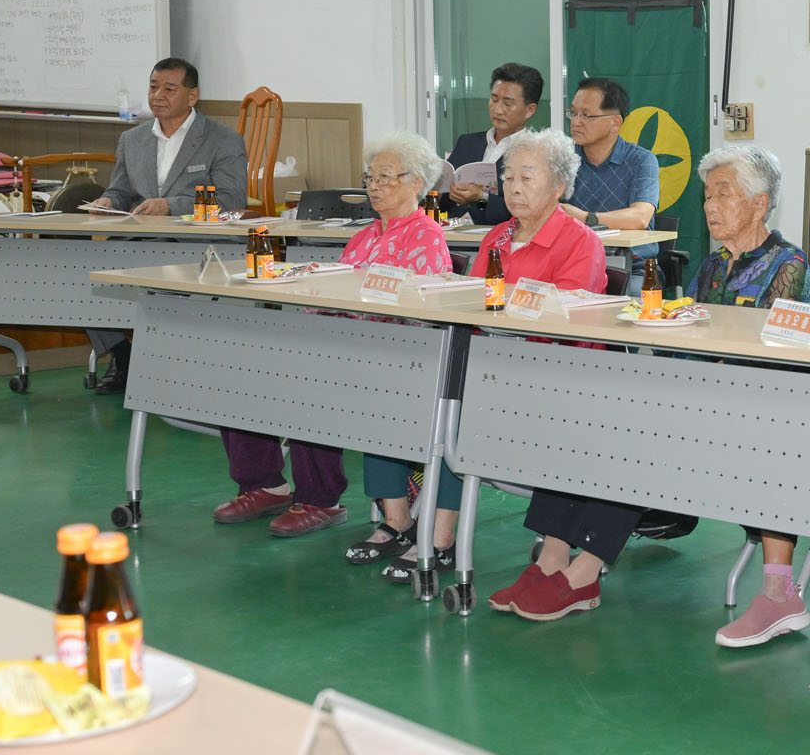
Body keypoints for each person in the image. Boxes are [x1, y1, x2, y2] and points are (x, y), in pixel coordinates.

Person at [363, 129, 608, 584]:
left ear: (558, 186)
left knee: (454, 405)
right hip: (490, 368)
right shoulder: (496, 236)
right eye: (508, 177)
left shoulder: (581, 242)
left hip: (552, 376)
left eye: (527, 177)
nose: (513, 187)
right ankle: (419, 527)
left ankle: (438, 538)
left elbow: (565, 320)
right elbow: (472, 305)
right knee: (425, 392)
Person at [218, 134, 452, 539]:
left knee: (315, 377)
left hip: (390, 354)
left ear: (416, 182)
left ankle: (320, 498)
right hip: (340, 340)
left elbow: (417, 315)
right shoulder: (363, 236)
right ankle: (264, 484)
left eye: (385, 177)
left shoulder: (426, 236)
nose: (374, 186)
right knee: (244, 369)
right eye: (370, 178)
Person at [675, 146, 810, 648]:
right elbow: (688, 329)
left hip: (772, 406)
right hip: (714, 399)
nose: (710, 206)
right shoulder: (712, 265)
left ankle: (779, 592)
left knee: (766, 440)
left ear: (759, 204)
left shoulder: (788, 265)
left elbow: (769, 350)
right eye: (707, 195)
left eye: (723, 194)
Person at [84, 57, 250, 395]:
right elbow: (120, 190)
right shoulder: (132, 140)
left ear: (193, 96)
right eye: (153, 87)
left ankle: (175, 362)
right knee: (84, 269)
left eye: (169, 89)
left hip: (197, 243)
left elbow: (231, 200)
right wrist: (108, 201)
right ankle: (123, 356)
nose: (158, 95)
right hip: (141, 238)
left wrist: (171, 205)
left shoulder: (222, 140)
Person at [560, 77, 660, 291]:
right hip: (573, 262)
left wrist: (586, 218)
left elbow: (640, 217)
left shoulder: (641, 160)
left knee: (632, 297)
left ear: (615, 122)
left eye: (586, 115)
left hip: (631, 266)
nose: (576, 122)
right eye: (573, 113)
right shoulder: (564, 157)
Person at [445, 62, 543, 227]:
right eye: (494, 99)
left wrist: (481, 198)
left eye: (508, 104)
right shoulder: (467, 143)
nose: (498, 110)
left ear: (530, 110)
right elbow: (442, 201)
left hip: (504, 236)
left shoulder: (535, 152)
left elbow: (529, 209)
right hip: (454, 234)